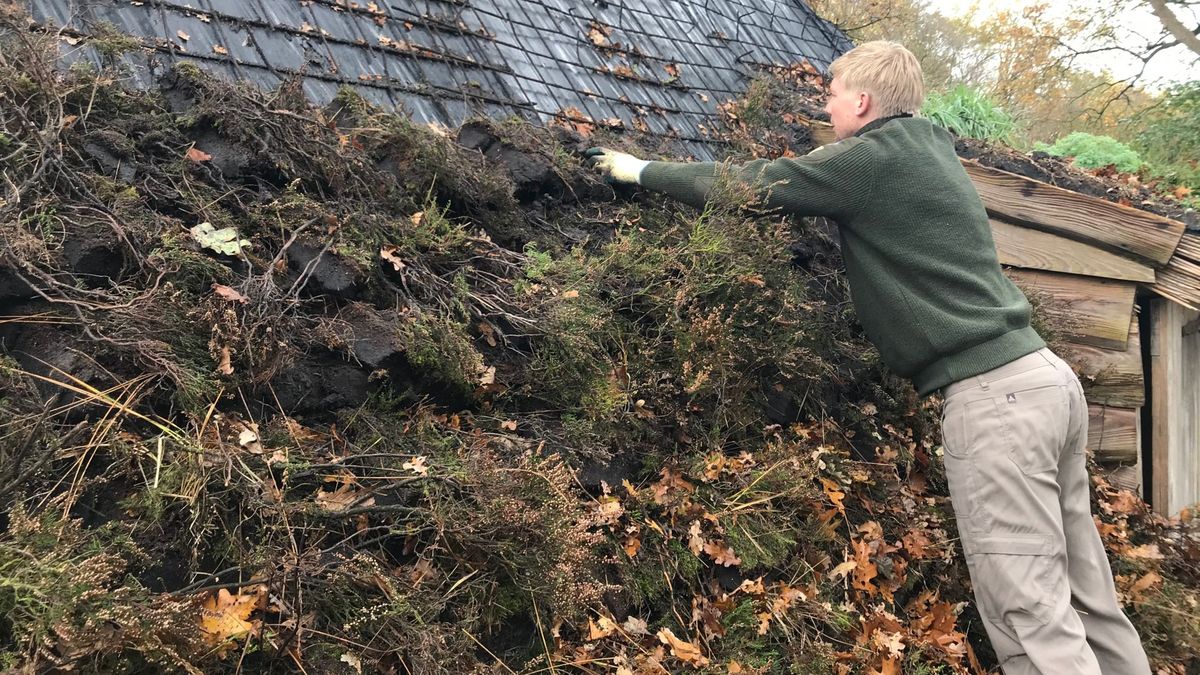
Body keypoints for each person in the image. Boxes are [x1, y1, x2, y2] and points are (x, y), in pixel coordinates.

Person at [586, 40, 1151, 675]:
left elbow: (758, 185)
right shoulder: (932, 148)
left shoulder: (871, 158)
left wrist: (640, 170)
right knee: (1088, 594)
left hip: (996, 403)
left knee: (1028, 611)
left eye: (830, 95)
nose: (825, 106)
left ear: (861, 100)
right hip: (1045, 383)